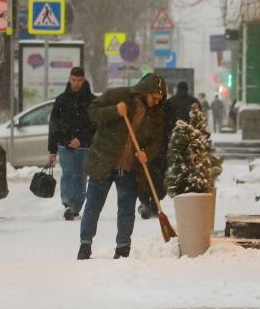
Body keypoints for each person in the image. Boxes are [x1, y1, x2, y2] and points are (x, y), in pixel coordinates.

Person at [78, 73, 167, 260]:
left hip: (129, 168)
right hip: (103, 161)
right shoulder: (118, 95)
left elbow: (156, 141)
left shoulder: (155, 114)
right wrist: (115, 111)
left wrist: (146, 153)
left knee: (126, 208)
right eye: (155, 98)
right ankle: (85, 244)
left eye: (160, 99)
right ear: (145, 92)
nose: (156, 102)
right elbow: (93, 112)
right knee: (93, 205)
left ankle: (123, 247)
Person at [138, 81, 198, 219]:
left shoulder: (170, 103)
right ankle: (153, 202)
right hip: (166, 146)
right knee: (160, 176)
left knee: (148, 176)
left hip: (151, 147)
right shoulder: (178, 104)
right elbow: (175, 124)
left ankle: (147, 202)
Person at [48, 67, 96, 220]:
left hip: (84, 145)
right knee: (68, 175)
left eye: (79, 80)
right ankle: (68, 205)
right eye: (74, 80)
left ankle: (76, 206)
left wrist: (80, 139)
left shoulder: (91, 101)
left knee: (81, 176)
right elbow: (54, 124)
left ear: (84, 80)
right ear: (69, 79)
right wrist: (52, 149)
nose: (76, 83)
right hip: (65, 144)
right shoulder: (62, 100)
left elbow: (95, 125)